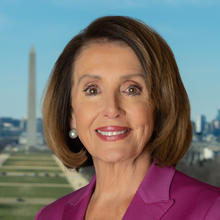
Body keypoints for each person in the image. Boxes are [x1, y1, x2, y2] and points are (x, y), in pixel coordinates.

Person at [35, 16, 220, 220]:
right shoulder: (50, 216)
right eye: (92, 90)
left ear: (161, 105)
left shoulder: (211, 210)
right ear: (71, 115)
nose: (112, 109)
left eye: (131, 89)